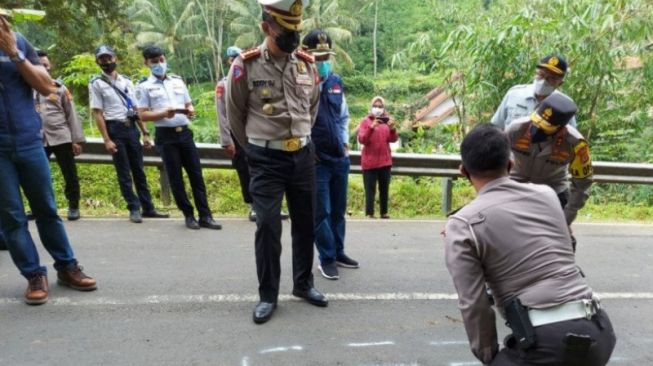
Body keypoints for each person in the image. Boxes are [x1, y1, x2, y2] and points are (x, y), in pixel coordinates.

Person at [444, 124, 616, 365]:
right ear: (511, 164)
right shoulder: (547, 195)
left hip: (547, 343)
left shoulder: (462, 224)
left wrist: (490, 357)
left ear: (463, 171)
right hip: (599, 331)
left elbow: (474, 303)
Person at [226, 0, 328, 324]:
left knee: (305, 222)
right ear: (266, 27)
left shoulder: (306, 65)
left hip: (302, 154)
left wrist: (302, 139)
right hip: (265, 157)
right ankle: (268, 295)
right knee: (268, 226)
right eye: (286, 30)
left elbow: (312, 107)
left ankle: (303, 284)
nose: (293, 36)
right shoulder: (246, 65)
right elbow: (235, 114)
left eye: (296, 30)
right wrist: (256, 149)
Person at [0, 13, 97, 305]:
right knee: (12, 217)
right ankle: (33, 275)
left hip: (30, 141)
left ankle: (67, 267)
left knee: (47, 209)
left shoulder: (18, 41)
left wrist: (13, 53)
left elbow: (46, 86)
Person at [136, 45, 221, 231]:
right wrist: (161, 114)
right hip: (166, 137)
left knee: (196, 176)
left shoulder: (178, 81)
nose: (159, 64)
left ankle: (206, 216)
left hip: (185, 134)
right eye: (154, 61)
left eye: (161, 60)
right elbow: (141, 115)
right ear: (147, 63)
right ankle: (189, 215)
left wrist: (190, 110)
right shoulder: (144, 86)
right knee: (176, 178)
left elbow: (189, 103)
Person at [301, 28, 358, 280]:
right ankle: (326, 258)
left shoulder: (335, 82)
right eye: (318, 57)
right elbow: (295, 120)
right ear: (305, 56)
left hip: (338, 157)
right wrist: (306, 148)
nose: (323, 62)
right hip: (316, 160)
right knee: (320, 212)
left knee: (338, 210)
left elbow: (343, 116)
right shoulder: (299, 83)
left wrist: (345, 144)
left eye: (326, 57)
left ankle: (338, 251)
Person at [89, 44, 168, 223]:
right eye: (102, 59)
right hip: (114, 129)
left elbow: (136, 109)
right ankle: (133, 208)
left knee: (139, 170)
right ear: (97, 62)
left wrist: (145, 133)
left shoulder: (126, 81)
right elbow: (98, 114)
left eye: (109, 58)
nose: (106, 62)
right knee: (124, 173)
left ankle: (148, 207)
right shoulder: (96, 84)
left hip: (131, 129)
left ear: (115, 58)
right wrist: (106, 139)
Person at [215, 45, 289, 223]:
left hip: (258, 132)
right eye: (233, 59)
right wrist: (227, 140)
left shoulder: (254, 78)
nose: (236, 62)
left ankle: (272, 205)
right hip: (238, 134)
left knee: (267, 170)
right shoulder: (224, 84)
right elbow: (222, 114)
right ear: (229, 61)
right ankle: (254, 206)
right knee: (245, 170)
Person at [506, 93, 592, 231]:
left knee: (562, 241)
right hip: (516, 186)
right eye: (536, 123)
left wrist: (567, 217)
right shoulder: (516, 129)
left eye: (544, 129)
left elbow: (582, 184)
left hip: (554, 192)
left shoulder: (576, 145)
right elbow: (496, 164)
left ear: (561, 130)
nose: (536, 130)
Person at [35, 49, 85, 221]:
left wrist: (77, 140)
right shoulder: (27, 87)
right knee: (37, 175)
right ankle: (40, 208)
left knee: (69, 174)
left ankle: (73, 206)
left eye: (46, 65)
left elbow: (72, 114)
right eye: (39, 65)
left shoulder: (59, 88)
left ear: (50, 66)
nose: (43, 68)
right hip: (38, 139)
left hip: (61, 136)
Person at [491, 54, 577, 130]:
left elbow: (570, 139)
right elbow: (495, 127)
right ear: (535, 74)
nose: (544, 81)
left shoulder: (565, 106)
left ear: (560, 83)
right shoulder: (514, 94)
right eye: (541, 75)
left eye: (551, 78)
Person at [357, 96, 398, 219]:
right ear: (371, 107)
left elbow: (393, 139)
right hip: (369, 162)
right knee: (370, 190)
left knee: (384, 189)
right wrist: (371, 127)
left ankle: (384, 212)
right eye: (375, 106)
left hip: (385, 161)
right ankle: (370, 213)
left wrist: (393, 129)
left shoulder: (387, 122)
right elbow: (362, 139)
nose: (378, 109)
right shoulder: (365, 122)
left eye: (380, 106)